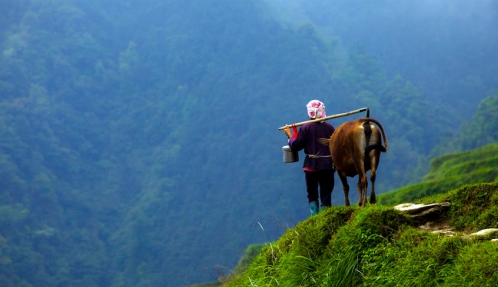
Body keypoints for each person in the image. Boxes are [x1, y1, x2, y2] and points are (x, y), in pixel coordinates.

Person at [283, 100, 335, 215]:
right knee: (326, 193)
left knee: (312, 193)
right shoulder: (330, 128)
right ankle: (326, 218)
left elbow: (297, 146)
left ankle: (314, 218)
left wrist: (290, 136)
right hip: (327, 166)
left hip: (311, 166)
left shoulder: (305, 128)